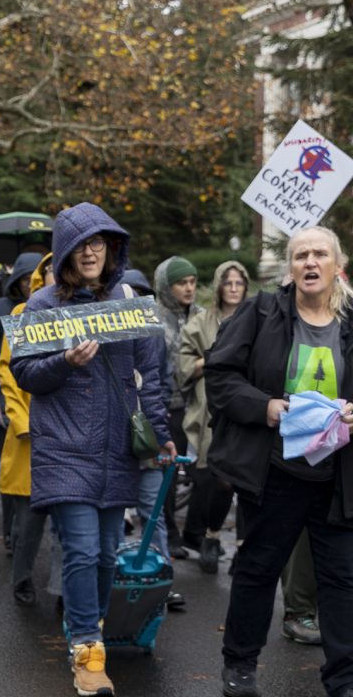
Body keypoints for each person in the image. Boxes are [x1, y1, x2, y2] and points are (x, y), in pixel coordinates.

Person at [10, 203, 172, 697]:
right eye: (82, 244)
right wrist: (64, 361)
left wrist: (161, 436)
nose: (92, 251)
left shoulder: (129, 304)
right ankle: (86, 648)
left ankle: (91, 626)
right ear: (65, 253)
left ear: (113, 248)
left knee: (104, 554)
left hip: (116, 448)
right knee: (80, 550)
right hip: (64, 445)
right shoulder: (42, 306)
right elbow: (25, 374)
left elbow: (152, 380)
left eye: (100, 242)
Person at [206, 226, 353, 697]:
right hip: (277, 471)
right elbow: (220, 374)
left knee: (342, 580)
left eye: (320, 255)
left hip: (338, 477)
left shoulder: (351, 321)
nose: (310, 263)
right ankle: (240, 664)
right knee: (258, 567)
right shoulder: (262, 312)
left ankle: (344, 679)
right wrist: (266, 407)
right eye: (301, 255)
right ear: (290, 268)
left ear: (337, 265)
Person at [175, 260, 249, 574]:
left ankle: (243, 548)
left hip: (247, 406)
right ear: (219, 286)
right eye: (228, 283)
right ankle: (210, 536)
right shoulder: (201, 322)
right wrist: (216, 358)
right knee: (214, 478)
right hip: (209, 406)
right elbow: (183, 365)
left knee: (247, 479)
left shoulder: (257, 318)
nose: (233, 289)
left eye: (239, 283)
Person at [0, 253, 52, 605]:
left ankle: (64, 588)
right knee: (28, 519)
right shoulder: (22, 315)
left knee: (68, 520)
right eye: (51, 272)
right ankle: (22, 578)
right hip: (30, 431)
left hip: (70, 431)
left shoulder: (89, 313)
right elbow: (8, 371)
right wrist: (20, 421)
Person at [153, 255, 200, 559]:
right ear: (167, 286)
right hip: (167, 407)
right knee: (166, 475)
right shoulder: (153, 317)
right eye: (181, 282)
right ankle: (169, 532)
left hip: (198, 406)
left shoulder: (202, 316)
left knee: (204, 472)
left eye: (193, 282)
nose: (189, 288)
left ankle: (196, 533)